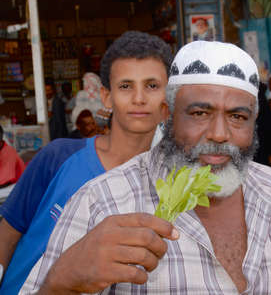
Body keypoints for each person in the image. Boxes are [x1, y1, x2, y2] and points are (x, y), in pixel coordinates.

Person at [20, 41, 271, 294]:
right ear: (167, 115)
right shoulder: (102, 201)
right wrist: (59, 283)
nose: (219, 134)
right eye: (199, 113)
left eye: (237, 117)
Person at [0, 31, 172, 294]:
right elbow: (8, 235)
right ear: (106, 96)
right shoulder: (58, 157)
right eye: (125, 86)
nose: (139, 98)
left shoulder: (168, 185)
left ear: (167, 99)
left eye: (151, 85)